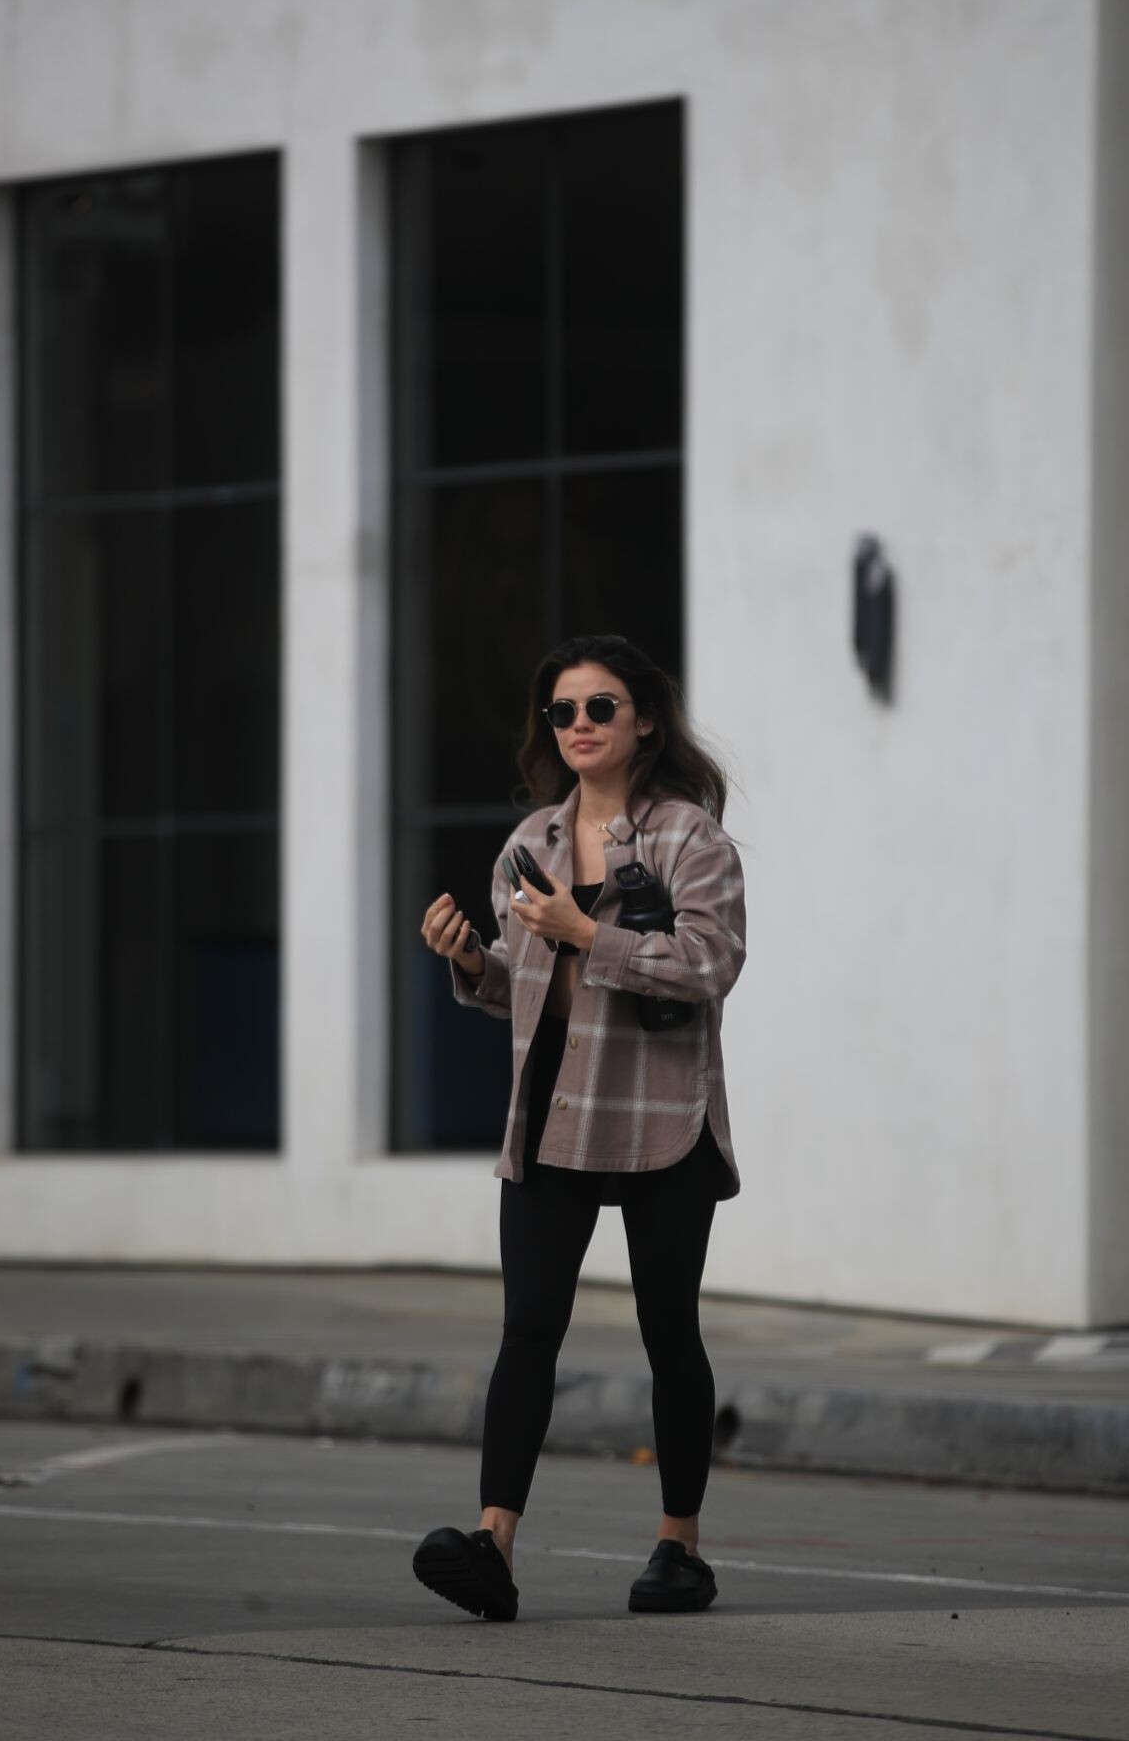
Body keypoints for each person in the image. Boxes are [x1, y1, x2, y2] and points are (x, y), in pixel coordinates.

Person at [412, 633, 746, 1621]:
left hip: (659, 1116)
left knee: (668, 1331)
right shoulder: (531, 845)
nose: (580, 725)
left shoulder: (690, 839)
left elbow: (709, 965)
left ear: (644, 722)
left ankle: (678, 1549)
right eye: (563, 711)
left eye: (601, 707)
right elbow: (522, 989)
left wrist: (588, 933)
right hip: (552, 1110)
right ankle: (493, 1545)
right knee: (527, 1330)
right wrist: (470, 961)